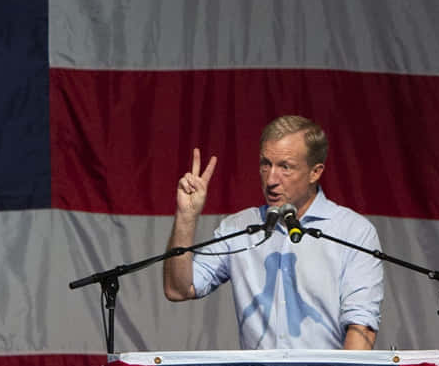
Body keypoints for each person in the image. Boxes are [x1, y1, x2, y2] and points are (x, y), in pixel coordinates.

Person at [163, 114, 383, 350]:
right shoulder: (238, 228)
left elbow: (361, 326)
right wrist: (186, 217)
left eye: (285, 167)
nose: (271, 180)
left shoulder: (353, 231)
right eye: (265, 164)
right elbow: (179, 289)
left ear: (315, 172)